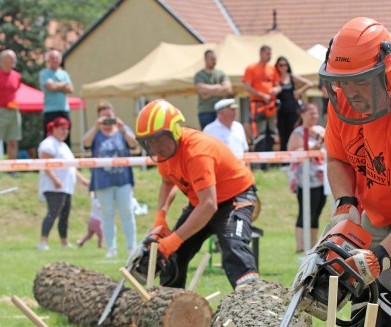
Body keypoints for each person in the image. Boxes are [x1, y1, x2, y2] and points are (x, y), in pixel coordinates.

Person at [319, 17, 391, 327]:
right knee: (361, 292)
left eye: (359, 83)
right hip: (377, 212)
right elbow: (337, 156)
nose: (349, 94)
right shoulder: (343, 106)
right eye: (341, 83)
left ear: (388, 75)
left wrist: (381, 256)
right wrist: (345, 206)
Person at [135, 99, 259, 289]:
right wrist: (160, 216)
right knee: (173, 255)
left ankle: (252, 301)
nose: (155, 147)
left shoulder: (196, 152)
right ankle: (168, 303)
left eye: (158, 139)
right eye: (149, 142)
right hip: (202, 201)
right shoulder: (165, 154)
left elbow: (209, 205)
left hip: (234, 197)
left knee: (234, 248)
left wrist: (174, 239)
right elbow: (167, 183)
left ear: (175, 131)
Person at [82, 100, 138, 258]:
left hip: (123, 180)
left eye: (109, 116)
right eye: (104, 117)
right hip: (102, 181)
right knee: (107, 215)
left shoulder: (121, 130)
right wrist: (96, 126)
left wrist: (122, 128)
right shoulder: (96, 132)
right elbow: (85, 143)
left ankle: (131, 247)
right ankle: (111, 249)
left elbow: (134, 144)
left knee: (127, 213)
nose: (107, 120)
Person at [37, 117, 89, 250]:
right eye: (62, 129)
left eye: (67, 129)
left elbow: (71, 167)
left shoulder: (64, 146)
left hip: (66, 187)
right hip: (54, 187)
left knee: (65, 215)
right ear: (53, 129)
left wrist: (82, 179)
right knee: (52, 213)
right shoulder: (48, 144)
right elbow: (45, 164)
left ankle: (64, 242)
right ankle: (43, 241)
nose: (65, 132)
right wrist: (55, 180)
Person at [287, 103, 326, 252]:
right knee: (305, 211)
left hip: (321, 177)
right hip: (305, 179)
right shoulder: (298, 132)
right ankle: (301, 246)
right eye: (311, 113)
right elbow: (293, 152)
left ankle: (312, 245)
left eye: (316, 114)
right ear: (302, 115)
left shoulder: (321, 131)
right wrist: (312, 149)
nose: (314, 117)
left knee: (317, 211)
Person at [242, 45, 281, 170]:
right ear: (261, 53)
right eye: (267, 53)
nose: (270, 56)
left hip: (271, 105)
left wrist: (276, 89)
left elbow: (279, 85)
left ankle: (267, 165)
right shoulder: (251, 68)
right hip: (258, 104)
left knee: (271, 133)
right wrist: (262, 95)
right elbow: (247, 87)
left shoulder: (272, 69)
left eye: (270, 53)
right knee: (259, 133)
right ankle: (258, 165)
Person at [275, 56, 313, 152]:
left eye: (285, 65)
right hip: (281, 110)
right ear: (277, 66)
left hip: (293, 108)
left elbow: (309, 83)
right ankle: (284, 160)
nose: (283, 67)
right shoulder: (276, 78)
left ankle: (293, 156)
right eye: (281, 65)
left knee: (293, 131)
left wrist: (300, 91)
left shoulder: (291, 76)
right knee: (283, 134)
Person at [39, 50, 73, 146]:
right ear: (48, 60)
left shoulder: (64, 74)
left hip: (64, 109)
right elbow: (51, 87)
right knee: (49, 136)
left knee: (65, 135)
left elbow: (70, 89)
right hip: (50, 110)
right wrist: (63, 84)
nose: (54, 60)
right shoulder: (44, 73)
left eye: (56, 58)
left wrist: (56, 85)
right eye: (52, 58)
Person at [194, 49, 233, 129]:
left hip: (220, 111)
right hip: (206, 111)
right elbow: (201, 90)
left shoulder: (221, 73)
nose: (214, 61)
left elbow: (228, 89)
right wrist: (219, 87)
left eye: (215, 59)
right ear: (205, 59)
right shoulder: (199, 75)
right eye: (212, 59)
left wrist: (209, 92)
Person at [0, 49, 22, 164]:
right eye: (10, 57)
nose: (14, 60)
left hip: (13, 110)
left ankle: (12, 167)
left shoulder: (17, 76)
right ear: (3, 60)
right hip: (0, 110)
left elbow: (16, 90)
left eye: (14, 57)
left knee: (13, 140)